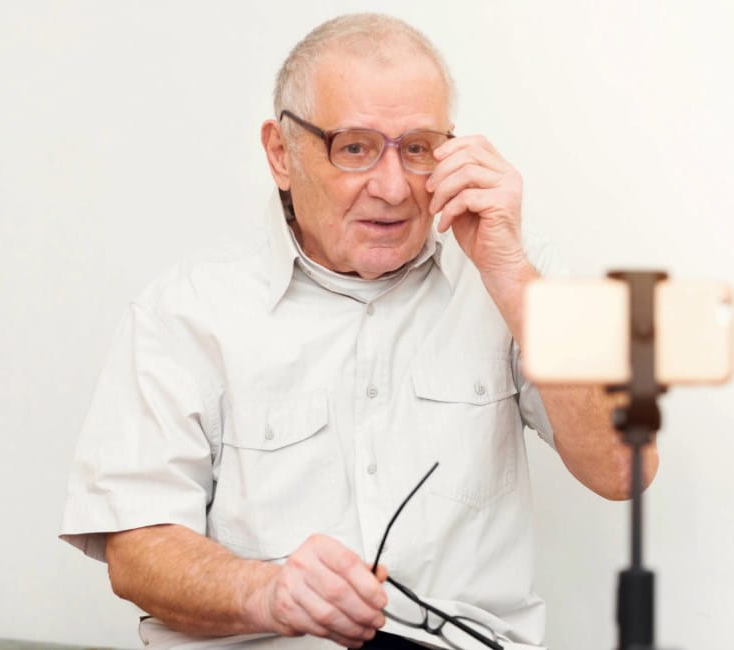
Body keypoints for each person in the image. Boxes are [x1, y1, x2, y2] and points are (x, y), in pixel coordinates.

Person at [60, 13, 658, 650]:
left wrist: (511, 278)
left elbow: (626, 468)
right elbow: (137, 549)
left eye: (419, 148)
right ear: (281, 153)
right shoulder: (185, 312)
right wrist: (266, 592)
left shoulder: (514, 272)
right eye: (355, 147)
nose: (395, 187)